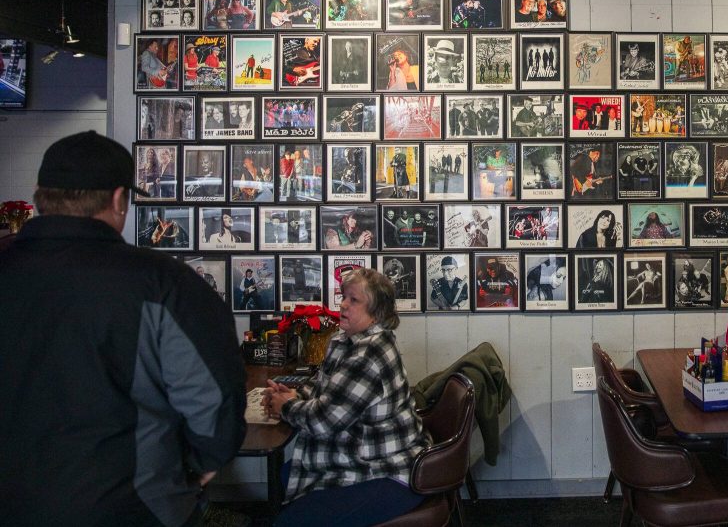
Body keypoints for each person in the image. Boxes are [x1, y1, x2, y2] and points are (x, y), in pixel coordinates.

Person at [0, 131, 246, 525]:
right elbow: (213, 400)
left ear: (38, 195)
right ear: (119, 199)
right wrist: (201, 462)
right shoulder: (165, 283)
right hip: (128, 508)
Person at [262, 268, 430, 525]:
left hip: (384, 470)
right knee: (285, 476)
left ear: (376, 313)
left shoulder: (369, 353)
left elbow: (323, 421)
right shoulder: (345, 341)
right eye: (344, 297)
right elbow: (326, 389)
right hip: (358, 458)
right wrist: (293, 394)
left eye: (354, 300)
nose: (343, 305)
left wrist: (286, 407)